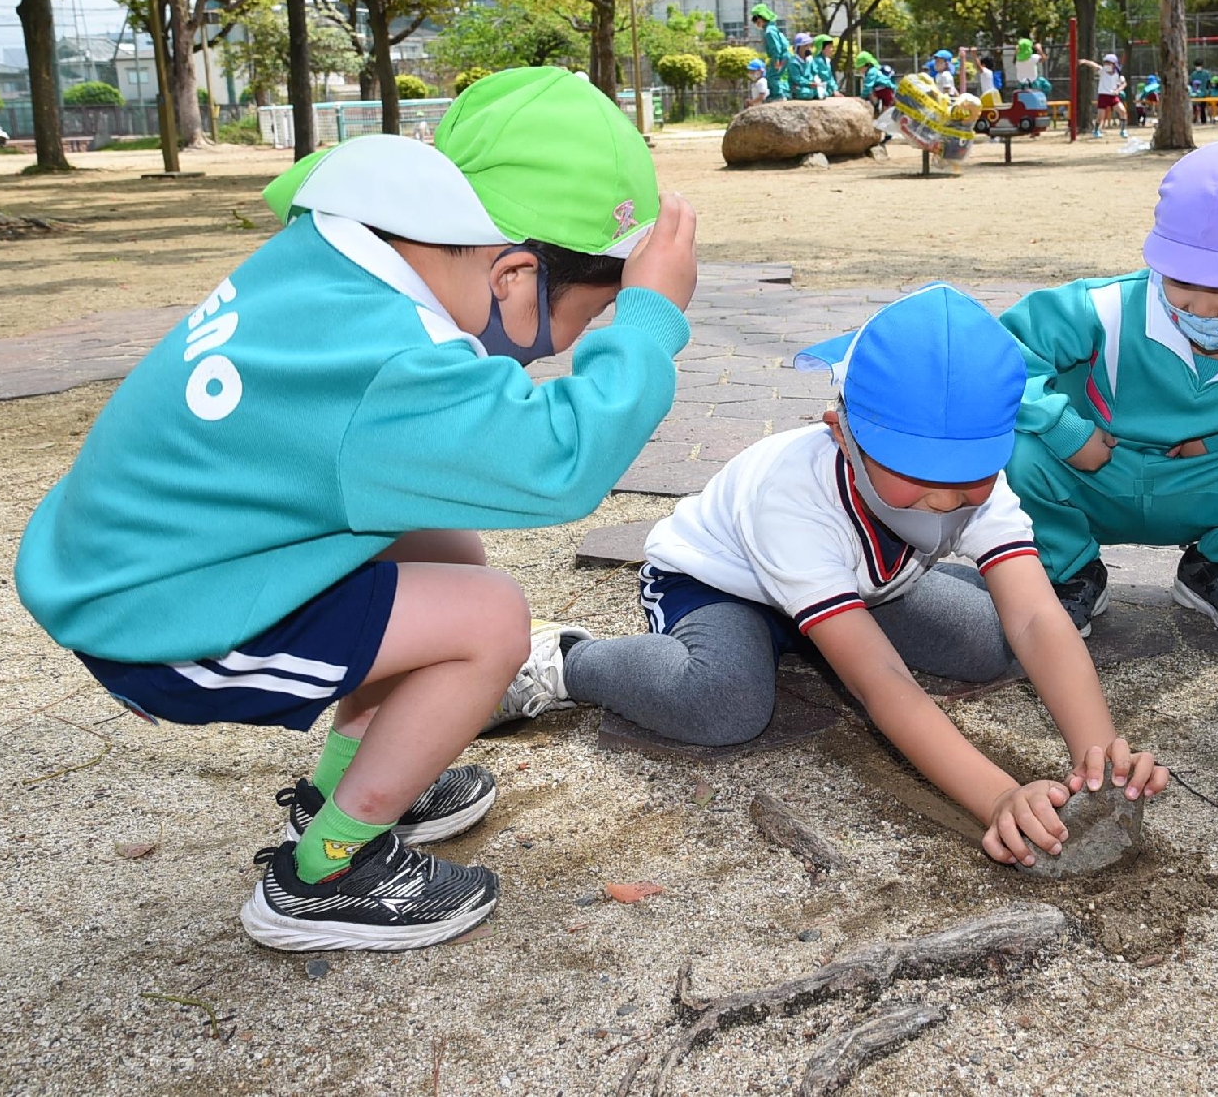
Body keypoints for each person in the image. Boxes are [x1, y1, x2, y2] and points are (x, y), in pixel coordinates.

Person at [13, 70, 701, 951]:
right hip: (161, 627)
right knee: (492, 621)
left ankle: (349, 786)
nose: (588, 333)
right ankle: (328, 868)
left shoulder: (341, 257)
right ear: (516, 274)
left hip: (140, 563)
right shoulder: (393, 364)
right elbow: (561, 463)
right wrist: (647, 325)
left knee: (446, 549)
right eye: (594, 312)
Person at [499, 285, 1172, 866]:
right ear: (840, 432)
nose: (944, 498)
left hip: (859, 591)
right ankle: (569, 660)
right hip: (722, 587)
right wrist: (995, 795)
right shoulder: (792, 495)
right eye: (913, 472)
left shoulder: (976, 483)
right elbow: (882, 684)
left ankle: (822, 634)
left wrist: (1099, 755)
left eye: (968, 478)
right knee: (727, 704)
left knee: (1000, 637)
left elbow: (1034, 616)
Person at [1000, 139, 1218, 638]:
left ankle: (1217, 567)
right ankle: (1069, 568)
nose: (1203, 309)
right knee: (1015, 448)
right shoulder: (1105, 308)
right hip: (1096, 470)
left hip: (1211, 481)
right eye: (1182, 281)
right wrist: (1062, 428)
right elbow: (1001, 356)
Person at [752, 5, 791, 101]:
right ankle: (777, 94)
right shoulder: (771, 28)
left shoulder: (769, 31)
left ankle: (778, 96)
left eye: (757, 19)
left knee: (772, 76)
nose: (756, 23)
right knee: (773, 75)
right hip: (782, 55)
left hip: (780, 56)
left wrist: (777, 59)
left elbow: (775, 47)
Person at [1094, 53, 1126, 136]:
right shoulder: (1102, 71)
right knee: (1100, 116)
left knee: (1122, 111)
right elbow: (1095, 66)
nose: (1106, 64)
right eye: (1105, 62)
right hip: (1103, 96)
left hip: (1113, 97)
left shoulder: (1118, 74)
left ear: (1114, 64)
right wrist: (1085, 61)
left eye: (1109, 63)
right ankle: (1096, 130)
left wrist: (1118, 90)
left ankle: (1123, 131)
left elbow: (1124, 83)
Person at [787, 33, 823, 100]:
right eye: (805, 46)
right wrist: (809, 83)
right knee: (807, 93)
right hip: (797, 85)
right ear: (798, 47)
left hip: (810, 85)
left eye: (809, 45)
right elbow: (797, 79)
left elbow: (814, 72)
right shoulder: (793, 62)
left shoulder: (809, 59)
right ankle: (793, 94)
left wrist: (817, 81)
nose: (808, 48)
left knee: (822, 93)